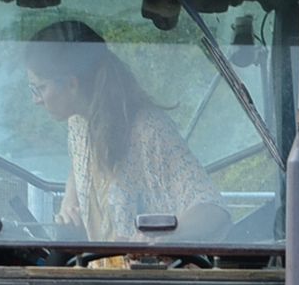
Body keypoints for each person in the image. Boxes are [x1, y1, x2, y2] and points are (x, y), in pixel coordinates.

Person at [23, 19, 229, 242]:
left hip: (149, 273)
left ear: (72, 84)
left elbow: (214, 212)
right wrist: (70, 200)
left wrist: (163, 236)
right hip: (99, 269)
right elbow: (80, 165)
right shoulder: (78, 124)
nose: (36, 100)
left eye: (40, 88)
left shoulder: (148, 130)